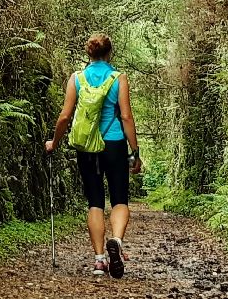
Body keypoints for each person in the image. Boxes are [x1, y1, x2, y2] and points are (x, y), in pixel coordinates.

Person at [45, 33, 142, 278]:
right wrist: (135, 151)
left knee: (95, 201)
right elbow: (127, 117)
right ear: (110, 53)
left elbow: (65, 116)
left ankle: (99, 260)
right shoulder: (118, 78)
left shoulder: (77, 78)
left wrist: (53, 143)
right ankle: (117, 242)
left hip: (87, 147)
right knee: (119, 199)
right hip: (114, 144)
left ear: (88, 54)